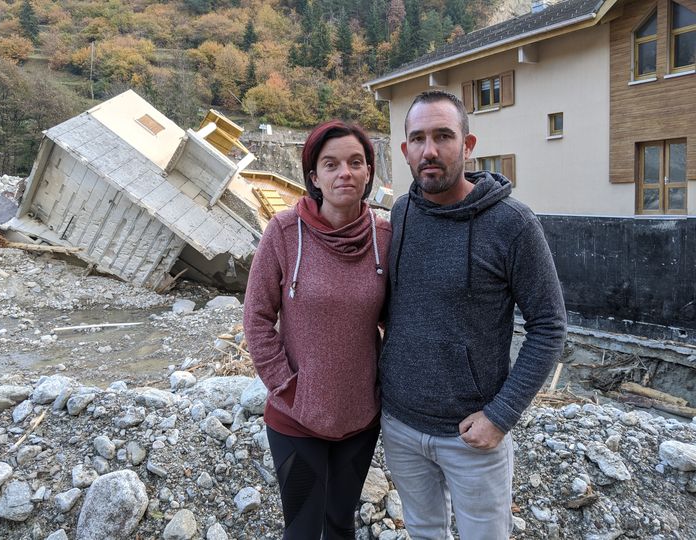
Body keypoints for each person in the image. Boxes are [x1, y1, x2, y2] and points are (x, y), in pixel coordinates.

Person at [379, 90, 567, 540]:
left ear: (467, 145)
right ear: (404, 151)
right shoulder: (402, 212)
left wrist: (500, 416)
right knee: (424, 532)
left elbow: (549, 326)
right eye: (418, 138)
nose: (430, 150)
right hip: (400, 425)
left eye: (443, 136)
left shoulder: (513, 224)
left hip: (471, 435)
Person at [243, 120, 391, 540]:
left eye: (355, 162)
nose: (344, 172)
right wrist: (285, 385)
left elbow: (396, 319)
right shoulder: (284, 233)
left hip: (361, 418)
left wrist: (384, 384)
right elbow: (256, 316)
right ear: (314, 176)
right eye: (331, 164)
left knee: (342, 525)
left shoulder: (385, 236)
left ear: (368, 173)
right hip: (295, 418)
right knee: (303, 530)